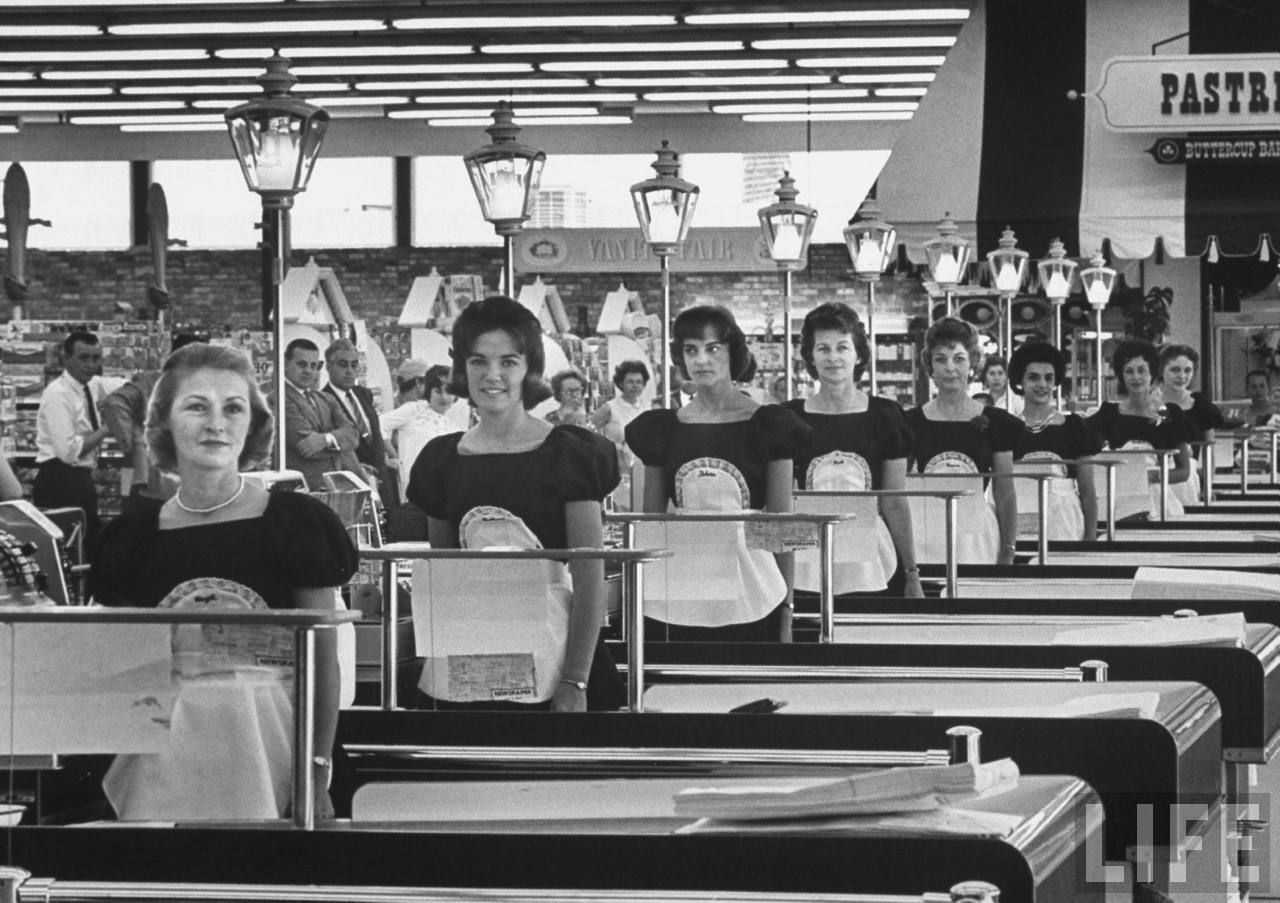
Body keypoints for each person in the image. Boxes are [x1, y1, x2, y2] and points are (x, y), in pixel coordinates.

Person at [89, 343, 358, 820]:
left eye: (233, 408)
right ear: (164, 422)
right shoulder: (132, 539)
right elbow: (122, 674)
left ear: (252, 424)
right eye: (197, 407)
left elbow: (323, 664)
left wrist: (317, 773)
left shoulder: (295, 523)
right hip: (161, 775)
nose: (216, 423)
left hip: (274, 760)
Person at [406, 296, 623, 712]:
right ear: (462, 368)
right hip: (469, 663)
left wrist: (576, 680)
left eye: (508, 362)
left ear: (529, 369)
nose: (492, 376)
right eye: (478, 361)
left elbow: (589, 580)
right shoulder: (440, 460)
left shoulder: (570, 453)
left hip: (557, 662)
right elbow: (446, 580)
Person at [626, 305, 810, 641]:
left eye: (712, 349)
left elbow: (782, 525)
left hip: (755, 589)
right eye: (691, 350)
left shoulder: (771, 426)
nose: (701, 360)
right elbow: (652, 524)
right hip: (678, 591)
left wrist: (788, 607)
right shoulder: (662, 430)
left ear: (732, 353)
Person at [784, 302, 921, 597]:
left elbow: (894, 502)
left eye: (842, 347)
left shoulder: (886, 417)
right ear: (810, 356)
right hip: (806, 558)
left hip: (871, 559)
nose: (833, 357)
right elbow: (782, 505)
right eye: (823, 348)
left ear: (858, 354)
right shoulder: (788, 419)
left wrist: (912, 573)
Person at [905, 317, 1022, 565]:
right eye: (941, 359)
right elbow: (898, 491)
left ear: (972, 363)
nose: (950, 368)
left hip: (978, 539)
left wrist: (1008, 550)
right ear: (930, 366)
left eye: (958, 359)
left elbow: (1005, 494)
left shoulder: (996, 423)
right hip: (926, 535)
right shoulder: (909, 423)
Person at [1086, 337, 1192, 520]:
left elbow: (1184, 472)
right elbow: (1084, 448)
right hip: (1120, 501)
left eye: (1142, 370)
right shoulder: (1108, 413)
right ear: (1121, 375)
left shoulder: (1170, 414)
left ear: (1153, 374)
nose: (1136, 377)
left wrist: (1148, 477)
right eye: (1129, 371)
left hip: (1159, 502)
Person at [1007, 342, 1102, 542]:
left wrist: (1091, 538)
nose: (1042, 384)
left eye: (1048, 378)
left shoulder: (1074, 427)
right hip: (1020, 520)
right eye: (1033, 377)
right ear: (1020, 381)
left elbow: (1087, 489)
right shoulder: (1007, 429)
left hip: (1065, 519)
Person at [100, 333, 201, 516]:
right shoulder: (151, 383)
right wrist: (133, 443)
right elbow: (113, 403)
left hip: (151, 479)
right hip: (151, 482)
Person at [33, 331, 111, 550]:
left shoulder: (91, 385)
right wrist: (106, 429)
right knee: (69, 550)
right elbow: (68, 452)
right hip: (60, 480)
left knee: (86, 545)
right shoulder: (58, 394)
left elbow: (126, 385)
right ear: (66, 359)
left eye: (95, 358)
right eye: (83, 358)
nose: (90, 365)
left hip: (80, 479)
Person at [276, 338, 360, 491]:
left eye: (314, 366)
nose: (309, 371)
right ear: (286, 364)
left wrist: (325, 439)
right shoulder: (278, 399)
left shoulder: (326, 399)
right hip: (303, 492)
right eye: (302, 364)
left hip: (335, 489)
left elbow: (353, 435)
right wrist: (340, 442)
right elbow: (306, 447)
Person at [321, 338, 391, 508]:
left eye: (354, 365)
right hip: (352, 480)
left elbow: (374, 434)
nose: (349, 371)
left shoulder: (364, 394)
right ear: (328, 367)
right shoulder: (323, 400)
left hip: (381, 477)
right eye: (343, 364)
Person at [381, 362, 462, 505]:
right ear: (429, 392)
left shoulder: (454, 429)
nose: (444, 397)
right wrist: (393, 455)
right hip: (411, 493)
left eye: (449, 392)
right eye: (438, 391)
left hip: (440, 496)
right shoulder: (413, 409)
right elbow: (378, 424)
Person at [1158, 343, 1223, 506]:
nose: (1182, 376)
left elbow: (1208, 452)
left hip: (1189, 483)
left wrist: (1207, 487)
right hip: (1155, 480)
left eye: (1187, 370)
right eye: (1175, 370)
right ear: (1161, 370)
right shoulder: (1150, 403)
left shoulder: (1201, 406)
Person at [591, 360, 649, 449]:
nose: (635, 386)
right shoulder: (609, 408)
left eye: (639, 382)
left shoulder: (646, 408)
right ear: (621, 383)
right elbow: (591, 431)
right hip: (616, 456)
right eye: (630, 382)